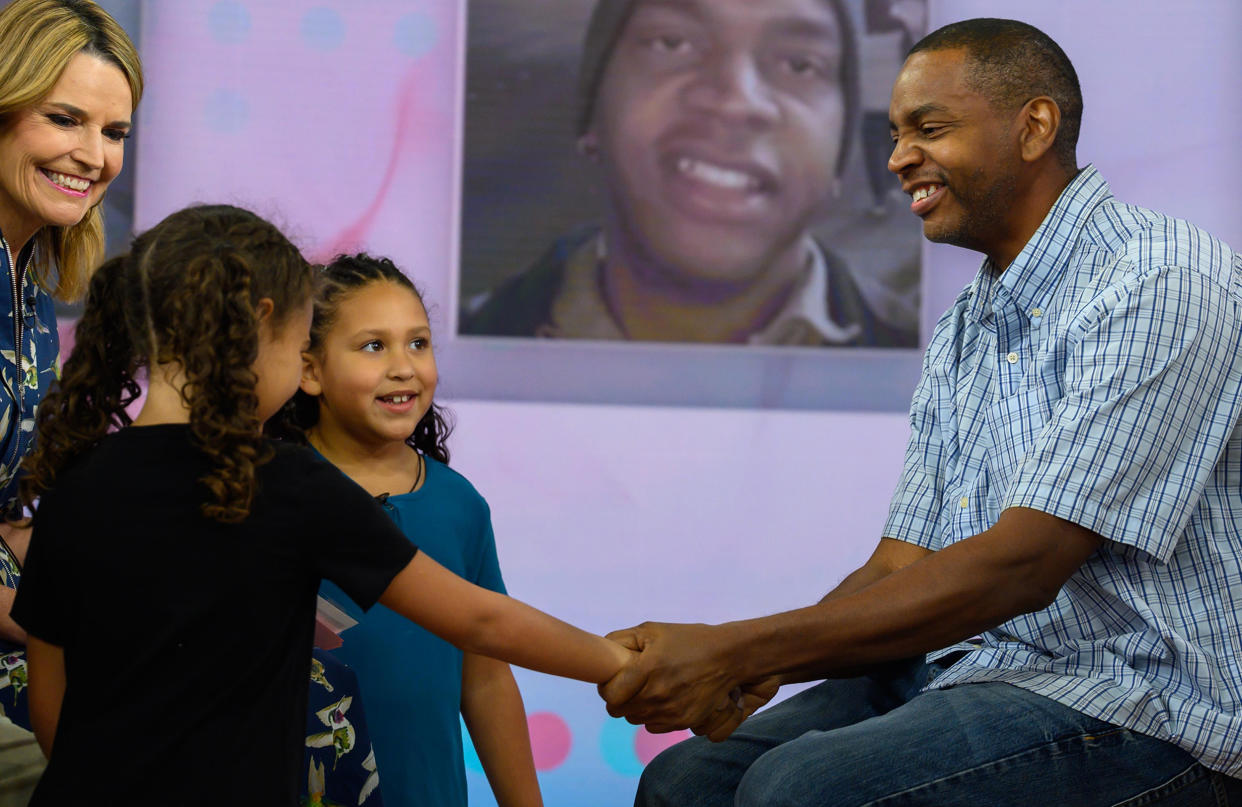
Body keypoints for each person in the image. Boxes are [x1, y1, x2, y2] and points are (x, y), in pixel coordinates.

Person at [600, 17, 1242, 806]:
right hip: (979, 666)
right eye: (897, 133)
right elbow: (899, 563)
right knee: (684, 782)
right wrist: (757, 666)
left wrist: (734, 650)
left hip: (1150, 708)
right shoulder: (964, 327)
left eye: (929, 129)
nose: (899, 158)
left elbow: (1024, 563)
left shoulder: (1160, 281)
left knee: (798, 789)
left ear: (1033, 127)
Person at [8, 204, 631, 805]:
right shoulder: (287, 484)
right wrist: (618, 659)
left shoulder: (76, 486)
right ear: (267, 326)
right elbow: (481, 622)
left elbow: (51, 708)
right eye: (303, 338)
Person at [462, 0, 917, 347]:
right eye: (672, 43)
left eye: (800, 65)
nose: (736, 102)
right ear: (592, 117)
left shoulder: (947, 379)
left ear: (839, 150)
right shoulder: (450, 353)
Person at [275, 254, 542, 807]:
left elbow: (487, 679)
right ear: (310, 370)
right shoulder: (270, 492)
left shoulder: (458, 503)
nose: (404, 367)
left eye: (417, 343)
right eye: (374, 346)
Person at [0, 0, 141, 727]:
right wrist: (62, 622)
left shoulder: (28, 280)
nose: (95, 156)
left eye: (114, 132)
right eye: (64, 119)